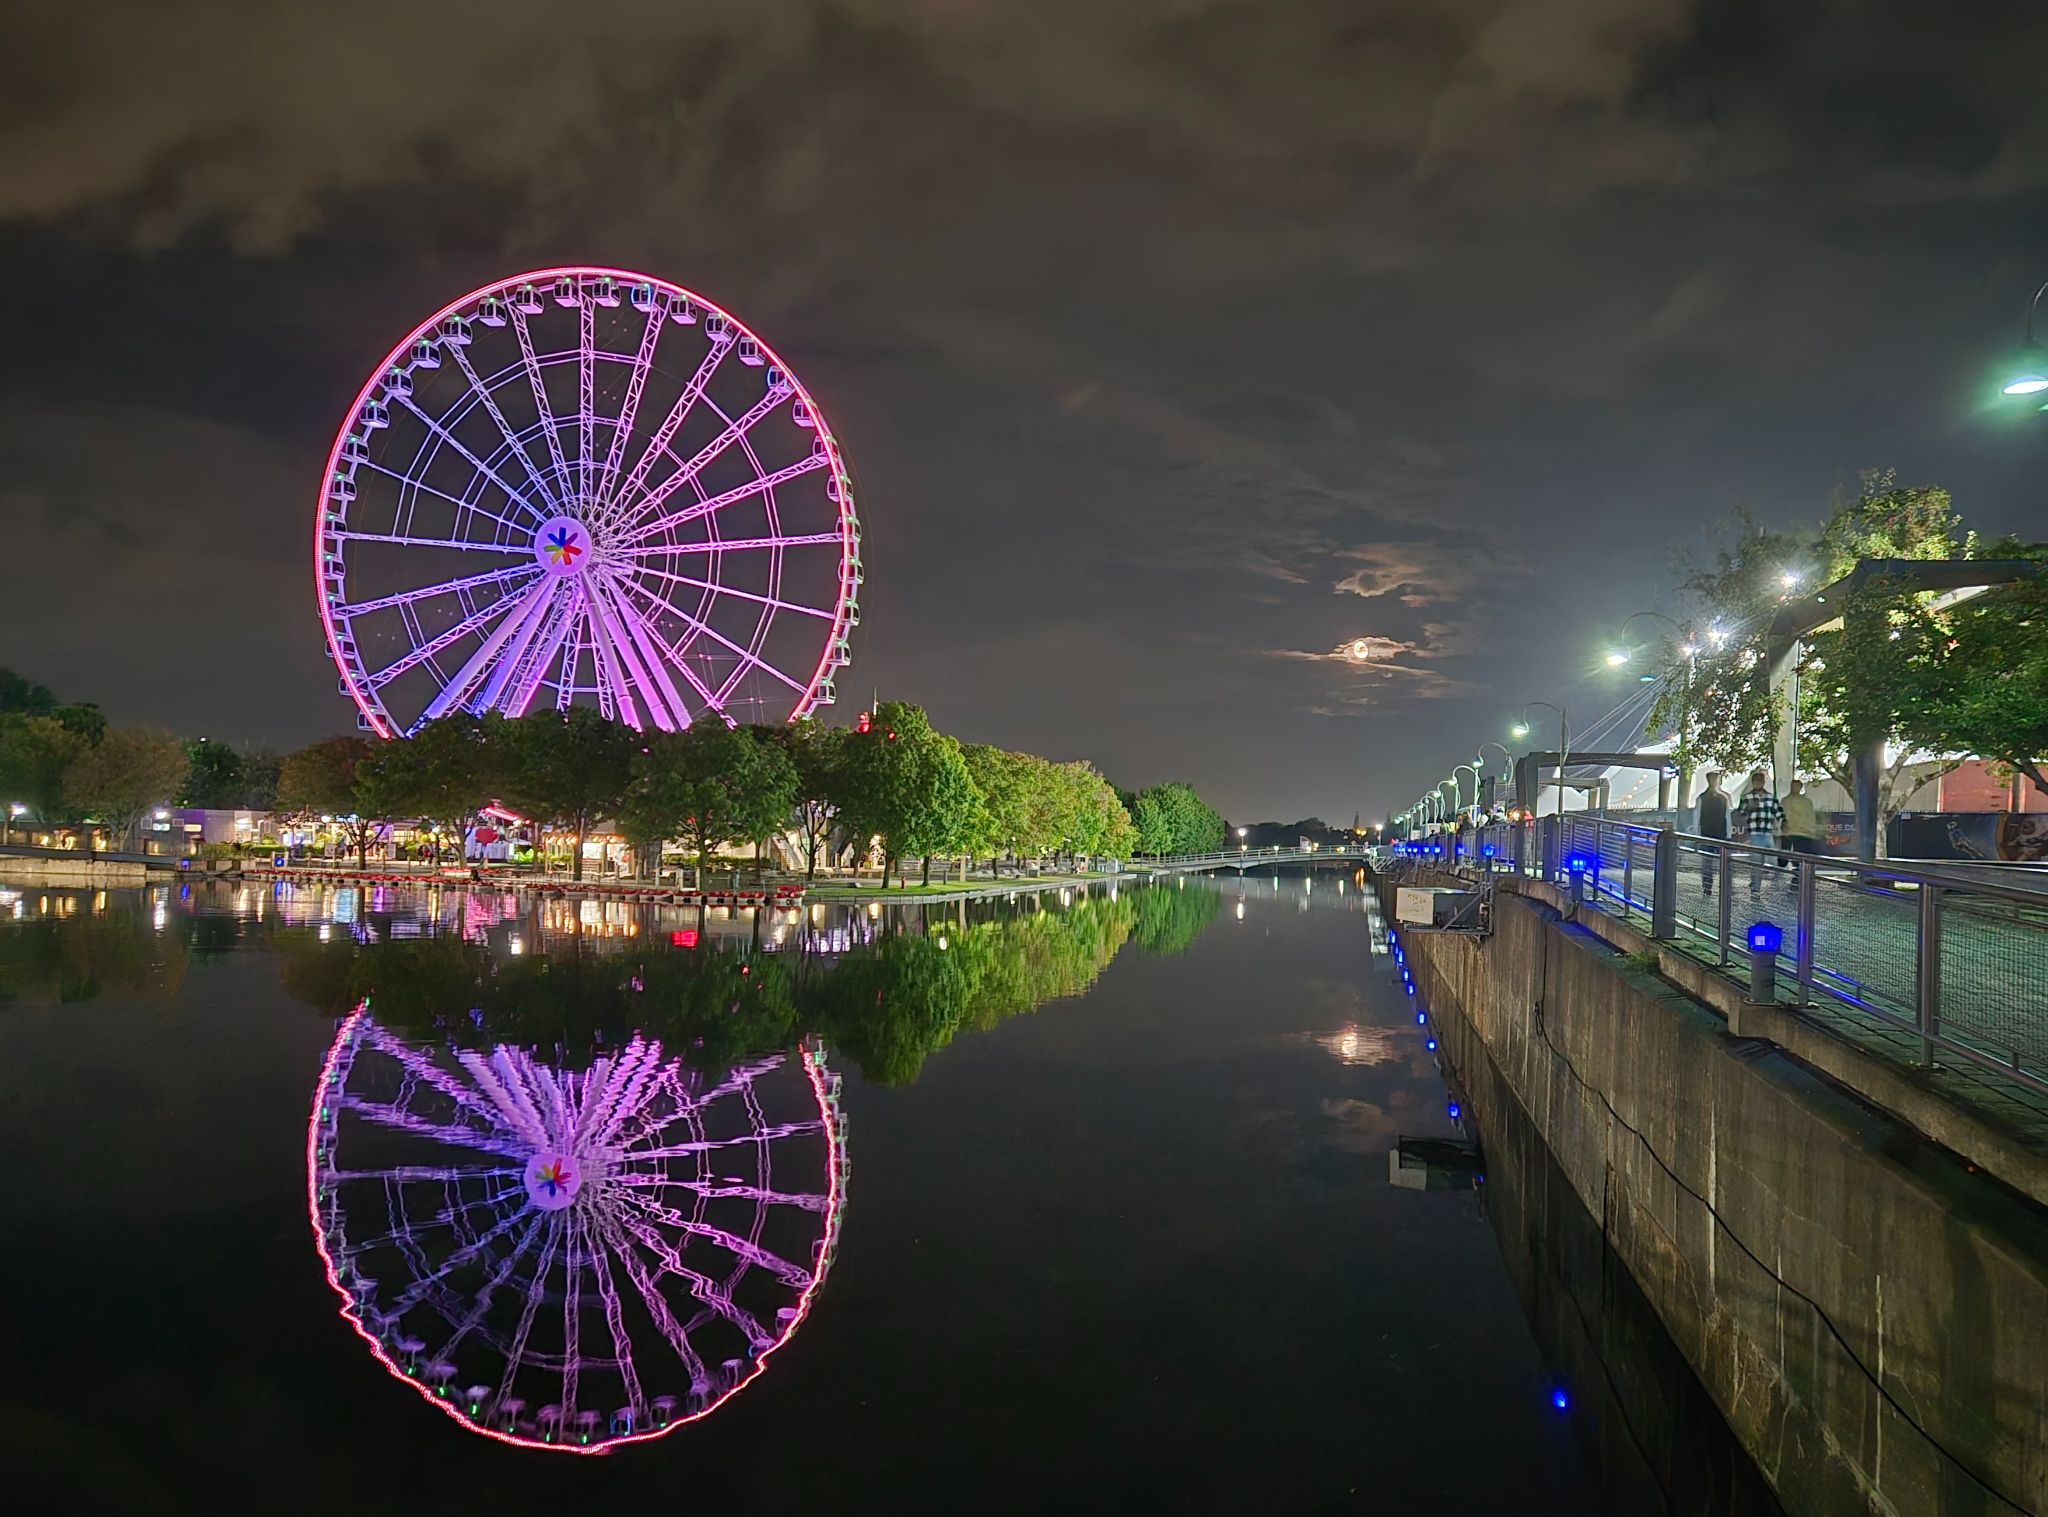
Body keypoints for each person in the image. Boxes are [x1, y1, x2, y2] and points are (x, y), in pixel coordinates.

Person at [1733, 769, 1786, 898]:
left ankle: (1769, 886)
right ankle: (1756, 889)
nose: (1758, 784)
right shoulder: (1747, 797)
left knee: (1773, 862)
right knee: (1756, 863)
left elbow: (1779, 813)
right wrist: (1748, 809)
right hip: (1755, 833)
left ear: (1763, 782)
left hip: (1768, 833)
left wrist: (1784, 825)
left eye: (1760, 782)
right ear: (1753, 783)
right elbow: (1740, 813)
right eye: (1755, 782)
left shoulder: (1770, 797)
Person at [1780, 778, 1821, 878]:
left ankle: (1799, 876)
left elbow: (1810, 817)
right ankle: (1797, 874)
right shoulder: (1785, 801)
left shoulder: (1807, 802)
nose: (1794, 788)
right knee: (1789, 856)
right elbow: (1781, 815)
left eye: (1797, 786)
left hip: (1803, 832)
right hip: (1790, 832)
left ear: (1800, 787)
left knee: (1801, 856)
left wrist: (1812, 830)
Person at [1696, 771, 1729, 893]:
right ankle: (1707, 885)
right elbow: (1697, 817)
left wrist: (1728, 834)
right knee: (1707, 863)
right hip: (1707, 834)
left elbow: (1727, 817)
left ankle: (1719, 886)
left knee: (1716, 863)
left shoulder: (1723, 798)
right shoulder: (1702, 798)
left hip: (1719, 835)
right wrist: (1697, 835)